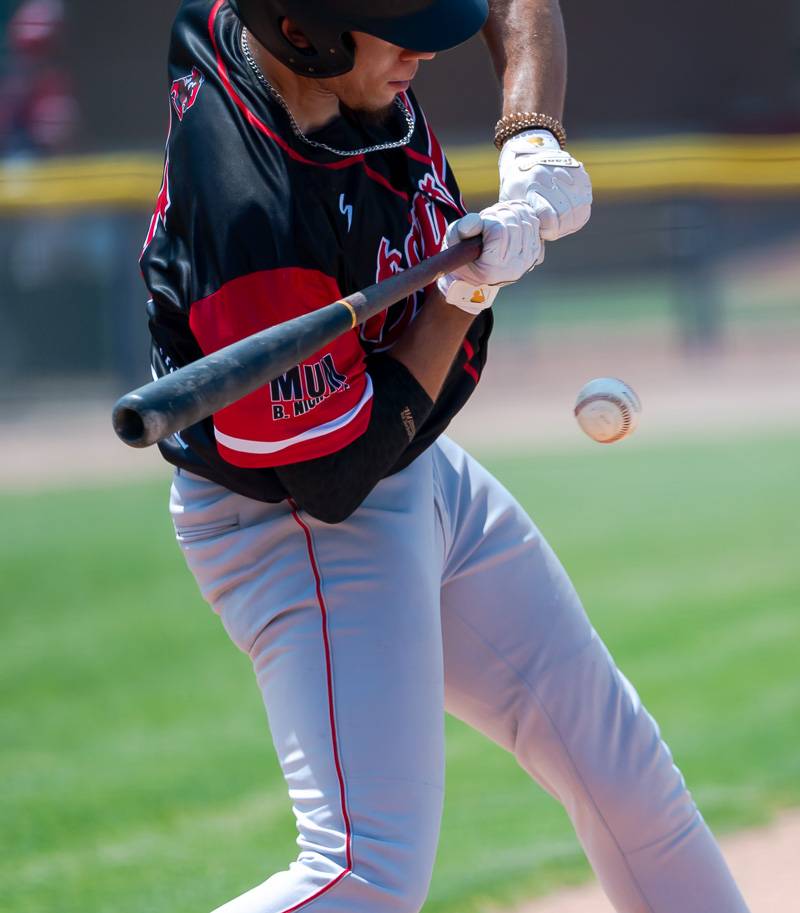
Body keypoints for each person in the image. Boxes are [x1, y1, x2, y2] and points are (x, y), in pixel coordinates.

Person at [140, 2, 750, 911]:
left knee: (622, 770)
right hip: (298, 521)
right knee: (365, 873)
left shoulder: (283, 38)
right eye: (397, 29)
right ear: (305, 33)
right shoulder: (251, 211)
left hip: (418, 470)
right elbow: (334, 476)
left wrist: (530, 136)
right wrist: (462, 294)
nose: (425, 48)